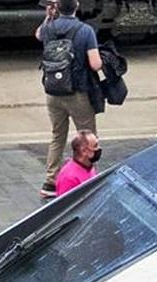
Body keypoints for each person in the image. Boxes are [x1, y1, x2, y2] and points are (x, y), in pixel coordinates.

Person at [35, 0, 102, 199]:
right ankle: (89, 178)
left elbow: (38, 35)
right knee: (88, 137)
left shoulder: (48, 28)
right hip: (77, 93)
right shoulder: (85, 30)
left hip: (53, 93)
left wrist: (49, 15)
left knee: (57, 136)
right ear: (77, 6)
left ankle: (50, 181)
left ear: (57, 8)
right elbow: (95, 64)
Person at [54, 130, 100, 197]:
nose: (98, 148)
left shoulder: (89, 166)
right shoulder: (68, 178)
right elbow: (66, 204)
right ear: (84, 151)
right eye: (95, 146)